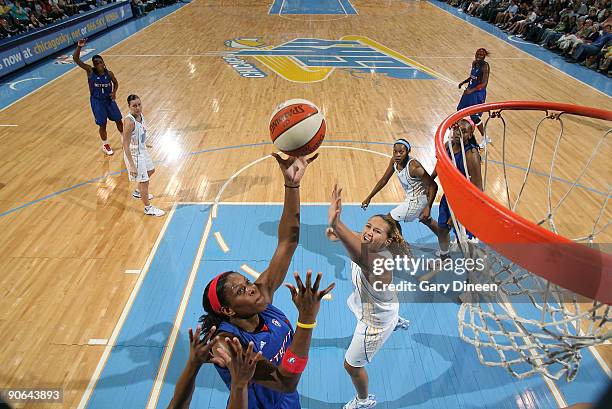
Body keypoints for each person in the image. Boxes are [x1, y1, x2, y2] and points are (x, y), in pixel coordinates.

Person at [196, 153, 336, 409]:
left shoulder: (262, 300)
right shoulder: (227, 344)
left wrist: (292, 185)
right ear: (228, 310)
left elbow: (288, 242)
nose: (252, 288)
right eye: (242, 290)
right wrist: (306, 319)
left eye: (247, 282)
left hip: (287, 402)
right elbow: (285, 381)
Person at [328, 184, 411, 409]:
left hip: (373, 322)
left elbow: (358, 254)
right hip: (387, 307)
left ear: (387, 241)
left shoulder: (377, 263)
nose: (368, 232)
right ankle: (395, 322)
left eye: (376, 231)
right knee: (388, 307)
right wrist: (339, 234)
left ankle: (363, 401)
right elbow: (359, 239)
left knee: (351, 366)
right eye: (368, 226)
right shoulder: (374, 247)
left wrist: (337, 224)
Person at [361, 138, 439, 236]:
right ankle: (444, 236)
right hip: (412, 197)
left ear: (407, 152)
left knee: (389, 220)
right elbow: (384, 180)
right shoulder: (394, 161)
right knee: (426, 220)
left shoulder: (414, 167)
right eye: (395, 152)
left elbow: (433, 186)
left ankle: (400, 247)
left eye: (401, 152)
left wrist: (428, 207)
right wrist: (369, 197)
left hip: (417, 200)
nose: (397, 155)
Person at [430, 119, 483, 258]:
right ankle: (444, 256)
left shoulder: (471, 154)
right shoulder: (448, 146)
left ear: (470, 134)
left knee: (463, 241)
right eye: (456, 129)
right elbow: (439, 165)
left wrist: (461, 212)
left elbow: (478, 189)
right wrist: (429, 180)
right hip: (449, 197)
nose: (458, 133)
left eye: (464, 131)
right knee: (442, 229)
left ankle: (472, 274)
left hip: (467, 201)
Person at [73, 38, 123, 155]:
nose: (99, 64)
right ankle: (105, 145)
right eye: (96, 63)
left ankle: (123, 138)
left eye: (100, 62)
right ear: (94, 65)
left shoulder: (109, 73)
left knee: (118, 120)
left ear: (103, 62)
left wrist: (114, 91)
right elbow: (76, 59)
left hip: (109, 100)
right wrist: (79, 46)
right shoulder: (90, 71)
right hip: (97, 102)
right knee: (102, 124)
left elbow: (116, 83)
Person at [122, 94, 165, 217]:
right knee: (144, 181)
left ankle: (138, 192)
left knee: (151, 170)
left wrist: (145, 143)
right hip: (134, 154)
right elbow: (125, 145)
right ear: (129, 107)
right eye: (134, 106)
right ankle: (148, 208)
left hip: (142, 149)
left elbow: (140, 134)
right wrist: (132, 166)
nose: (137, 108)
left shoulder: (141, 116)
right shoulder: (129, 122)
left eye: (139, 105)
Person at [457, 48, 490, 147]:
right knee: (460, 110)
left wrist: (472, 90)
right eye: (478, 54)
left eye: (481, 54)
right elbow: (472, 77)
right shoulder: (474, 63)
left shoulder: (485, 66)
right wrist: (464, 82)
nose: (479, 56)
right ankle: (459, 132)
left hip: (478, 93)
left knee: (474, 116)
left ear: (484, 56)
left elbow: (484, 83)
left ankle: (485, 137)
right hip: (469, 90)